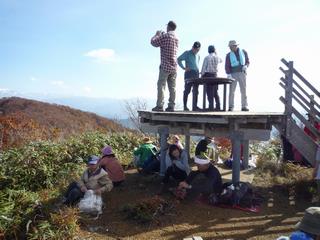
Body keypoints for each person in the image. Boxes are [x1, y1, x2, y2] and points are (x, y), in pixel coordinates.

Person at [151, 20, 179, 112]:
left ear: (168, 27)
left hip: (165, 66)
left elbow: (153, 43)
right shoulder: (176, 38)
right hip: (174, 66)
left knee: (161, 85)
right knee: (172, 87)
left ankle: (159, 106)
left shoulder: (165, 36)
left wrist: (157, 34)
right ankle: (171, 106)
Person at [225, 40, 250, 111]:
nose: (229, 48)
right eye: (229, 47)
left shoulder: (244, 52)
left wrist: (246, 66)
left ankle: (244, 106)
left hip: (242, 72)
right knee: (232, 90)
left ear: (235, 46)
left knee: (243, 90)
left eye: (231, 46)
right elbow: (227, 65)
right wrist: (228, 74)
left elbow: (247, 61)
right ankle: (231, 106)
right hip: (233, 74)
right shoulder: (228, 55)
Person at [177, 41, 201, 111]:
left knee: (196, 91)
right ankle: (185, 106)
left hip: (196, 73)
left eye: (198, 50)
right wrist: (184, 67)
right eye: (195, 49)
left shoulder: (198, 55)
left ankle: (195, 106)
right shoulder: (187, 53)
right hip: (189, 73)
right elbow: (179, 59)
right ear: (192, 47)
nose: (196, 51)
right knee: (187, 90)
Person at [201, 45, 222, 111]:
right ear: (214, 50)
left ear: (208, 50)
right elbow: (221, 60)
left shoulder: (207, 57)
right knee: (215, 92)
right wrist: (216, 53)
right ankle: (218, 106)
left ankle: (211, 106)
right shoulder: (217, 57)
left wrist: (202, 75)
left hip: (208, 75)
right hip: (215, 75)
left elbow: (204, 68)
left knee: (209, 92)